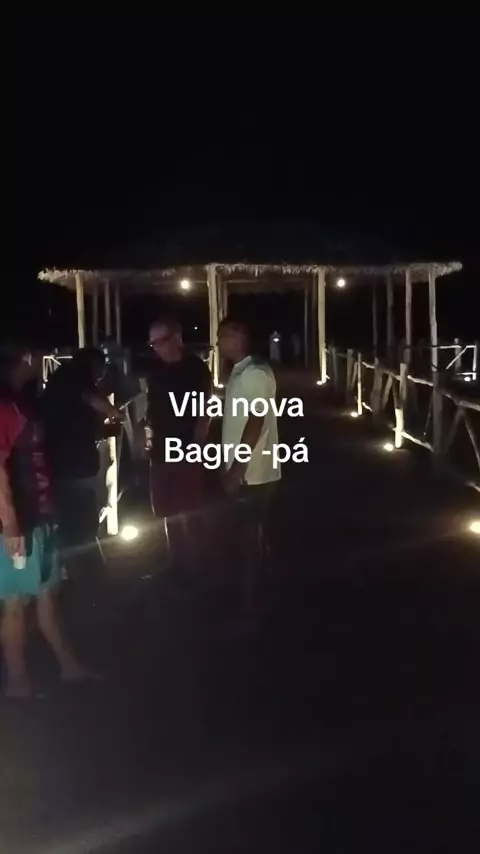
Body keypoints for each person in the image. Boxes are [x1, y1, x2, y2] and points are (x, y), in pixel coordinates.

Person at [0, 343, 89, 698]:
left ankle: (70, 667)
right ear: (25, 360)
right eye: (37, 357)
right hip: (19, 522)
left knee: (47, 592)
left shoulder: (22, 401)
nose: (42, 362)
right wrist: (10, 525)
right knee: (15, 601)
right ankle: (18, 681)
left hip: (40, 514)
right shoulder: (5, 406)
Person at [217, 317, 281, 619]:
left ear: (239, 336)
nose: (218, 343)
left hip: (253, 472)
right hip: (248, 469)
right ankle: (264, 591)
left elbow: (256, 420)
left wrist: (237, 467)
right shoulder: (242, 371)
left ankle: (248, 605)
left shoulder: (254, 373)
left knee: (247, 537)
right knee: (253, 533)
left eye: (223, 336)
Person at [40, 348, 124, 574]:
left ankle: (73, 569)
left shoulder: (60, 382)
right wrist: (114, 412)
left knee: (73, 519)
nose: (100, 378)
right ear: (93, 365)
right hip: (73, 465)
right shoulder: (74, 377)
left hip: (61, 461)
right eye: (100, 371)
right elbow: (91, 398)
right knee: (81, 522)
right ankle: (85, 572)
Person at [147, 316, 211, 574]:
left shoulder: (195, 369)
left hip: (186, 448)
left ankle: (197, 564)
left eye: (159, 341)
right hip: (160, 449)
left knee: (189, 510)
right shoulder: (156, 371)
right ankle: (176, 561)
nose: (156, 348)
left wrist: (197, 446)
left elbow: (205, 410)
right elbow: (152, 409)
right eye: (152, 343)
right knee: (166, 510)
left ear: (176, 338)